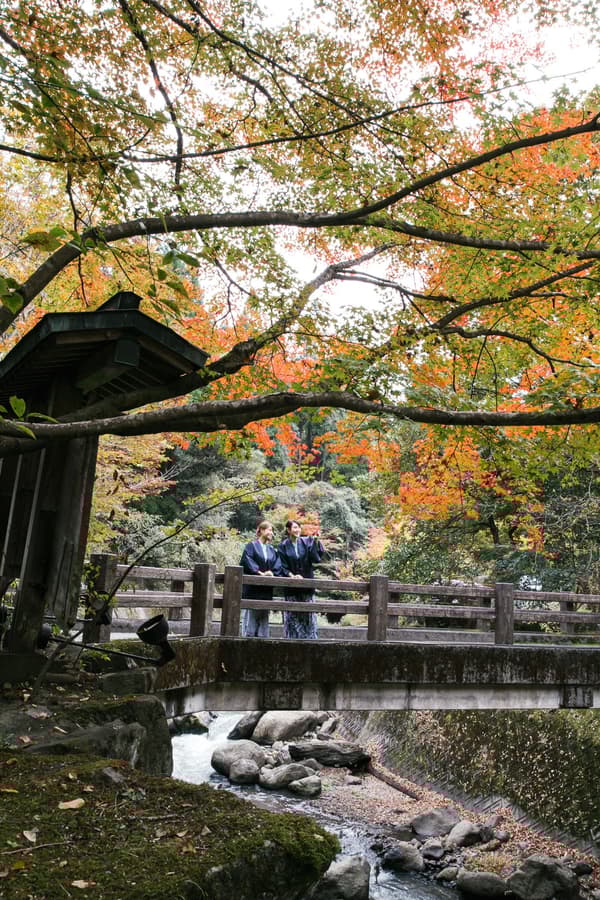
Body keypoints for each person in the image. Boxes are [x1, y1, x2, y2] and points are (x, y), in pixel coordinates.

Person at [278, 520, 325, 639]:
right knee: (292, 617)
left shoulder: (307, 541)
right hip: (291, 587)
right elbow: (282, 566)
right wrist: (292, 576)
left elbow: (316, 558)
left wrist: (316, 541)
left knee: (309, 616)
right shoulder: (283, 546)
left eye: (298, 527)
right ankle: (291, 641)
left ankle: (310, 641)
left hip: (307, 586)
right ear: (288, 530)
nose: (297, 530)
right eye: (294, 527)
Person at [240, 520, 283, 637]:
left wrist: (271, 573)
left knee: (263, 617)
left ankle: (263, 640)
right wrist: (260, 573)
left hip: (266, 590)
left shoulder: (271, 549)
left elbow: (278, 564)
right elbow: (247, 561)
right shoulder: (251, 546)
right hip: (253, 589)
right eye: (269, 530)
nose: (271, 533)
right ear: (262, 530)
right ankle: (247, 638)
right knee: (251, 617)